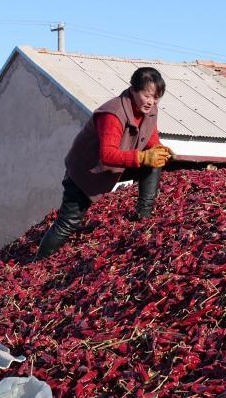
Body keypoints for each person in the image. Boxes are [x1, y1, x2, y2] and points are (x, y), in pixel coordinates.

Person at [35, 67, 173, 260]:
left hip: (116, 168)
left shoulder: (149, 110)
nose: (151, 102)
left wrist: (159, 149)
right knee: (68, 223)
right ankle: (38, 261)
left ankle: (144, 214)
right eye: (146, 95)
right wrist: (142, 157)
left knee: (154, 160)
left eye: (156, 97)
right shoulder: (113, 113)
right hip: (86, 172)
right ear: (133, 90)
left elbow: (150, 137)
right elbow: (107, 155)